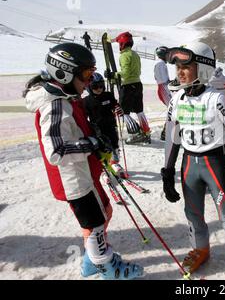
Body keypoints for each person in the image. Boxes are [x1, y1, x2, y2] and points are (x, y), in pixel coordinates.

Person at [23, 42, 143, 279]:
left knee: (104, 212)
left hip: (82, 173)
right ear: (64, 73)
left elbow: (74, 128)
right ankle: (105, 266)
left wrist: (94, 134)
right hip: (74, 179)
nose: (89, 82)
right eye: (86, 75)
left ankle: (91, 260)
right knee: (95, 222)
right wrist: (93, 144)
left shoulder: (64, 97)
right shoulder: (54, 104)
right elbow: (56, 150)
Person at [161, 42, 225, 280]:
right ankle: (200, 249)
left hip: (214, 163)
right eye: (177, 67)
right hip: (189, 164)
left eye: (187, 66)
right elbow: (172, 138)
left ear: (203, 69)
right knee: (193, 214)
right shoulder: (177, 99)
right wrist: (167, 171)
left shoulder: (217, 99)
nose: (180, 72)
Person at [106, 31, 151, 144]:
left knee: (123, 111)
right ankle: (146, 132)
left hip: (128, 86)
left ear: (122, 43)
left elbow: (125, 73)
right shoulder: (135, 54)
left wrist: (113, 75)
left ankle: (136, 134)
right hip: (137, 84)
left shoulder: (124, 56)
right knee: (139, 110)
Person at [83, 72, 126, 176]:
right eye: (95, 86)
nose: (99, 89)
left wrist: (118, 108)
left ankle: (114, 163)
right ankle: (103, 169)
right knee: (102, 147)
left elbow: (115, 104)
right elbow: (84, 116)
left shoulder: (108, 95)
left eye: (101, 85)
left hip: (111, 125)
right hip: (98, 129)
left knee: (114, 143)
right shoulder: (86, 101)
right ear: (89, 87)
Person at [154, 46, 172, 140]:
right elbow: (163, 79)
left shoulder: (160, 63)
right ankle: (166, 133)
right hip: (163, 87)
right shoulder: (160, 64)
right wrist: (169, 83)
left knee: (172, 108)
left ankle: (166, 132)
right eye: (167, 54)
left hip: (163, 87)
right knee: (172, 108)